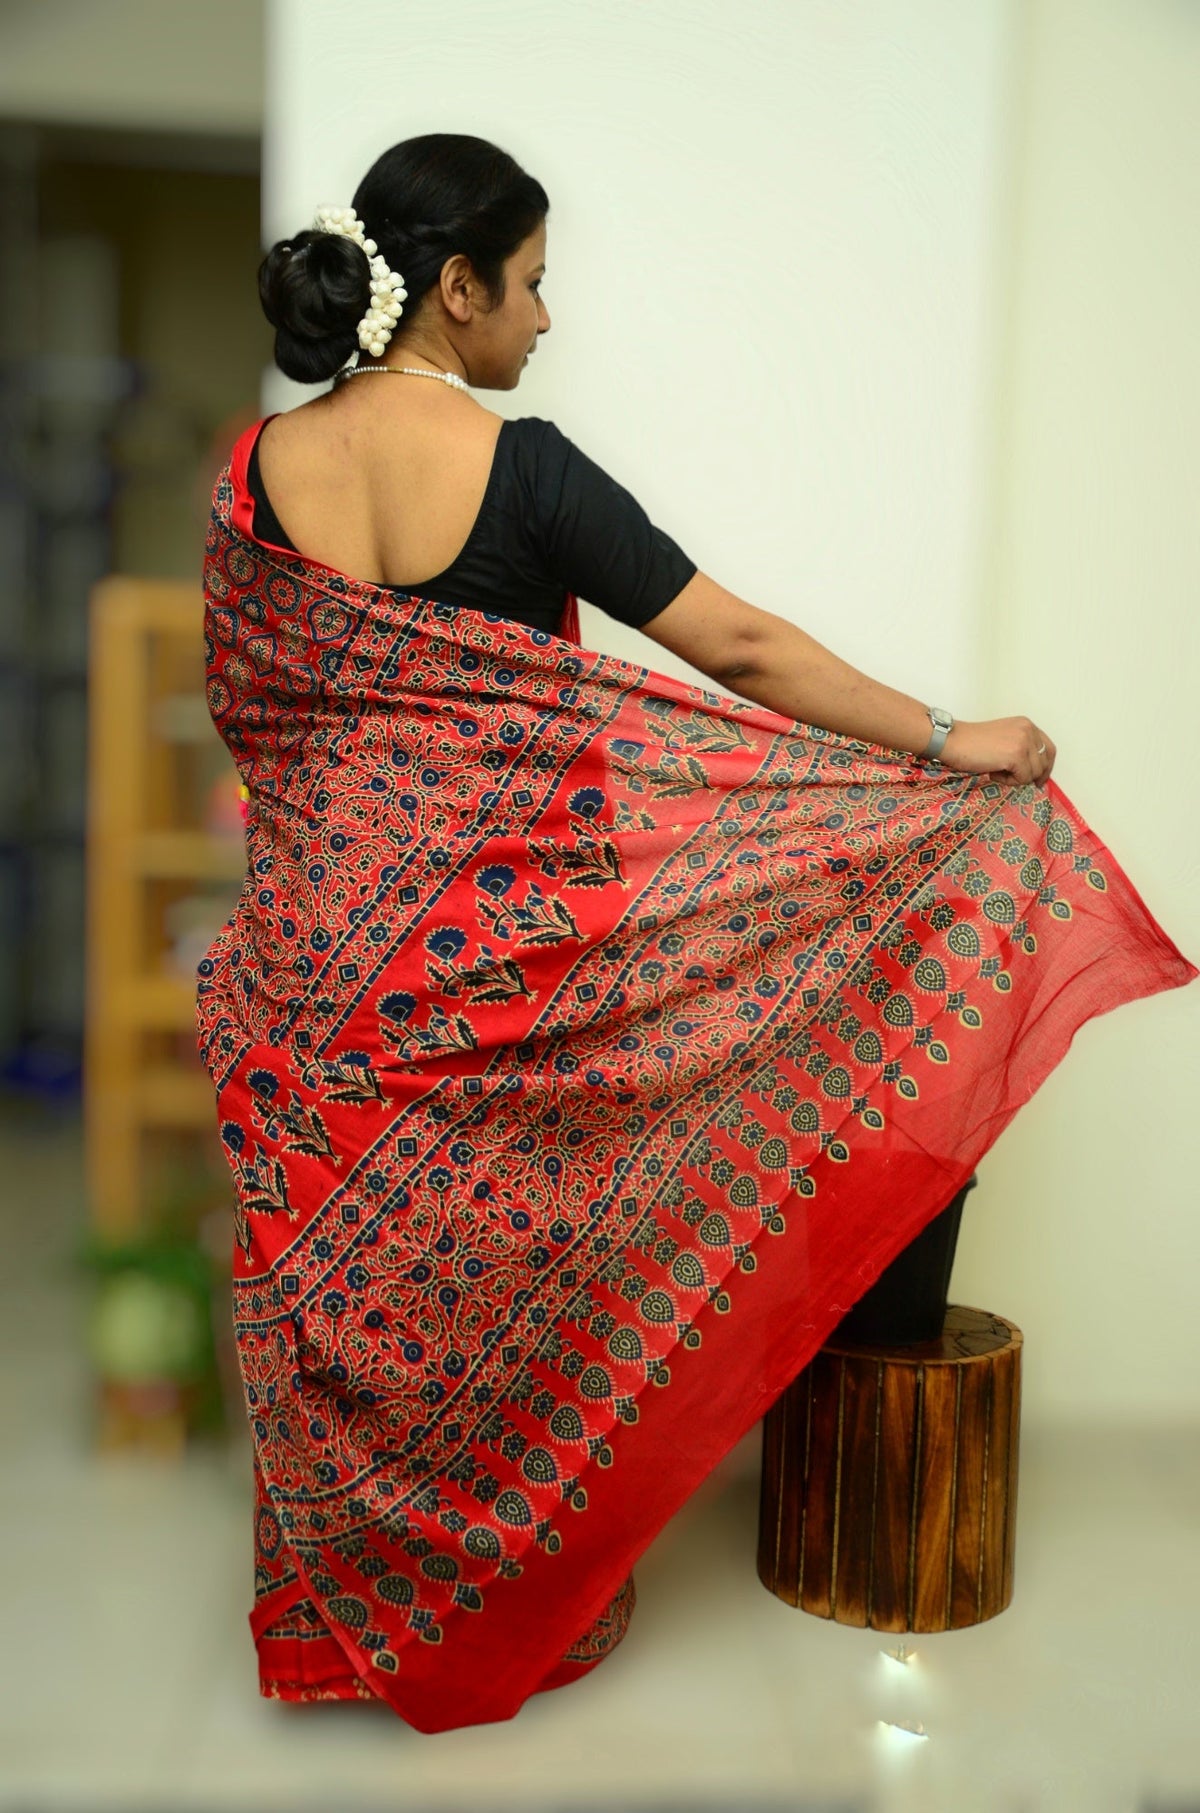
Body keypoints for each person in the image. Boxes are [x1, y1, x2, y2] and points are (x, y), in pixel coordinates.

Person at [197, 132, 1197, 1734]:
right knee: (502, 1274)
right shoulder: (525, 471)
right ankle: (516, 1612)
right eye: (532, 283)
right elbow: (734, 645)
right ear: (455, 289)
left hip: (312, 982)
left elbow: (258, 720)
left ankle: (344, 1629)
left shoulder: (253, 475)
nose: (548, 318)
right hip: (499, 978)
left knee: (349, 1293)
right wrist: (957, 740)